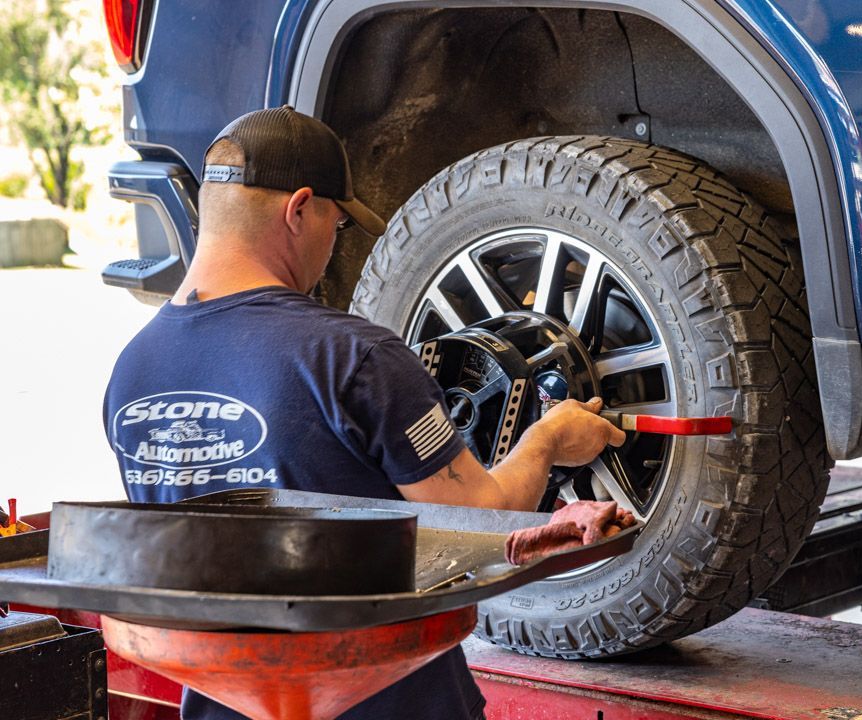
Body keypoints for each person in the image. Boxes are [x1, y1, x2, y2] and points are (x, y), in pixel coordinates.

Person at [102, 106, 625, 720]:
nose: (333, 244)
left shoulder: (131, 372)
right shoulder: (352, 356)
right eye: (338, 224)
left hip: (226, 704)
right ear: (299, 209)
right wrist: (545, 441)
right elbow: (480, 520)